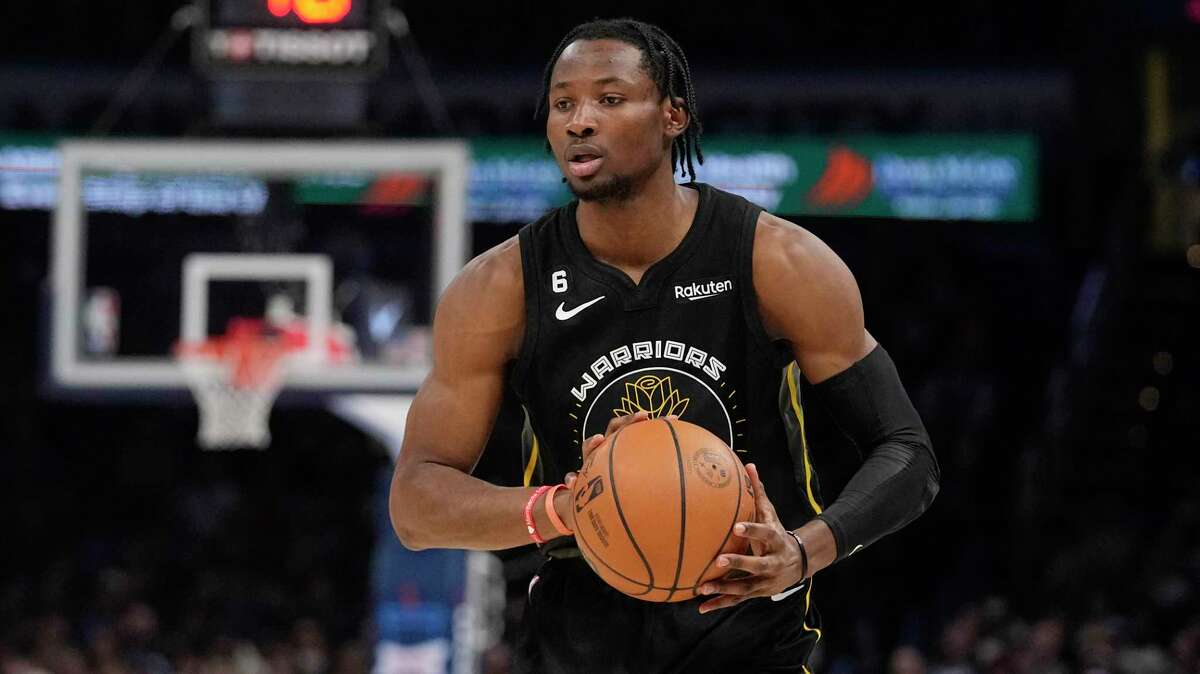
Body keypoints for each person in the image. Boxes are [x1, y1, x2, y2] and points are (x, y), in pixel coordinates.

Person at [389, 18, 940, 673]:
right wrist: (565, 505)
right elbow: (416, 505)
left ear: (673, 114)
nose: (579, 121)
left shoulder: (778, 262)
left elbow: (908, 454)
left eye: (610, 99)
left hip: (752, 650)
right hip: (574, 650)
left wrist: (803, 550)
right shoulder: (499, 287)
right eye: (564, 104)